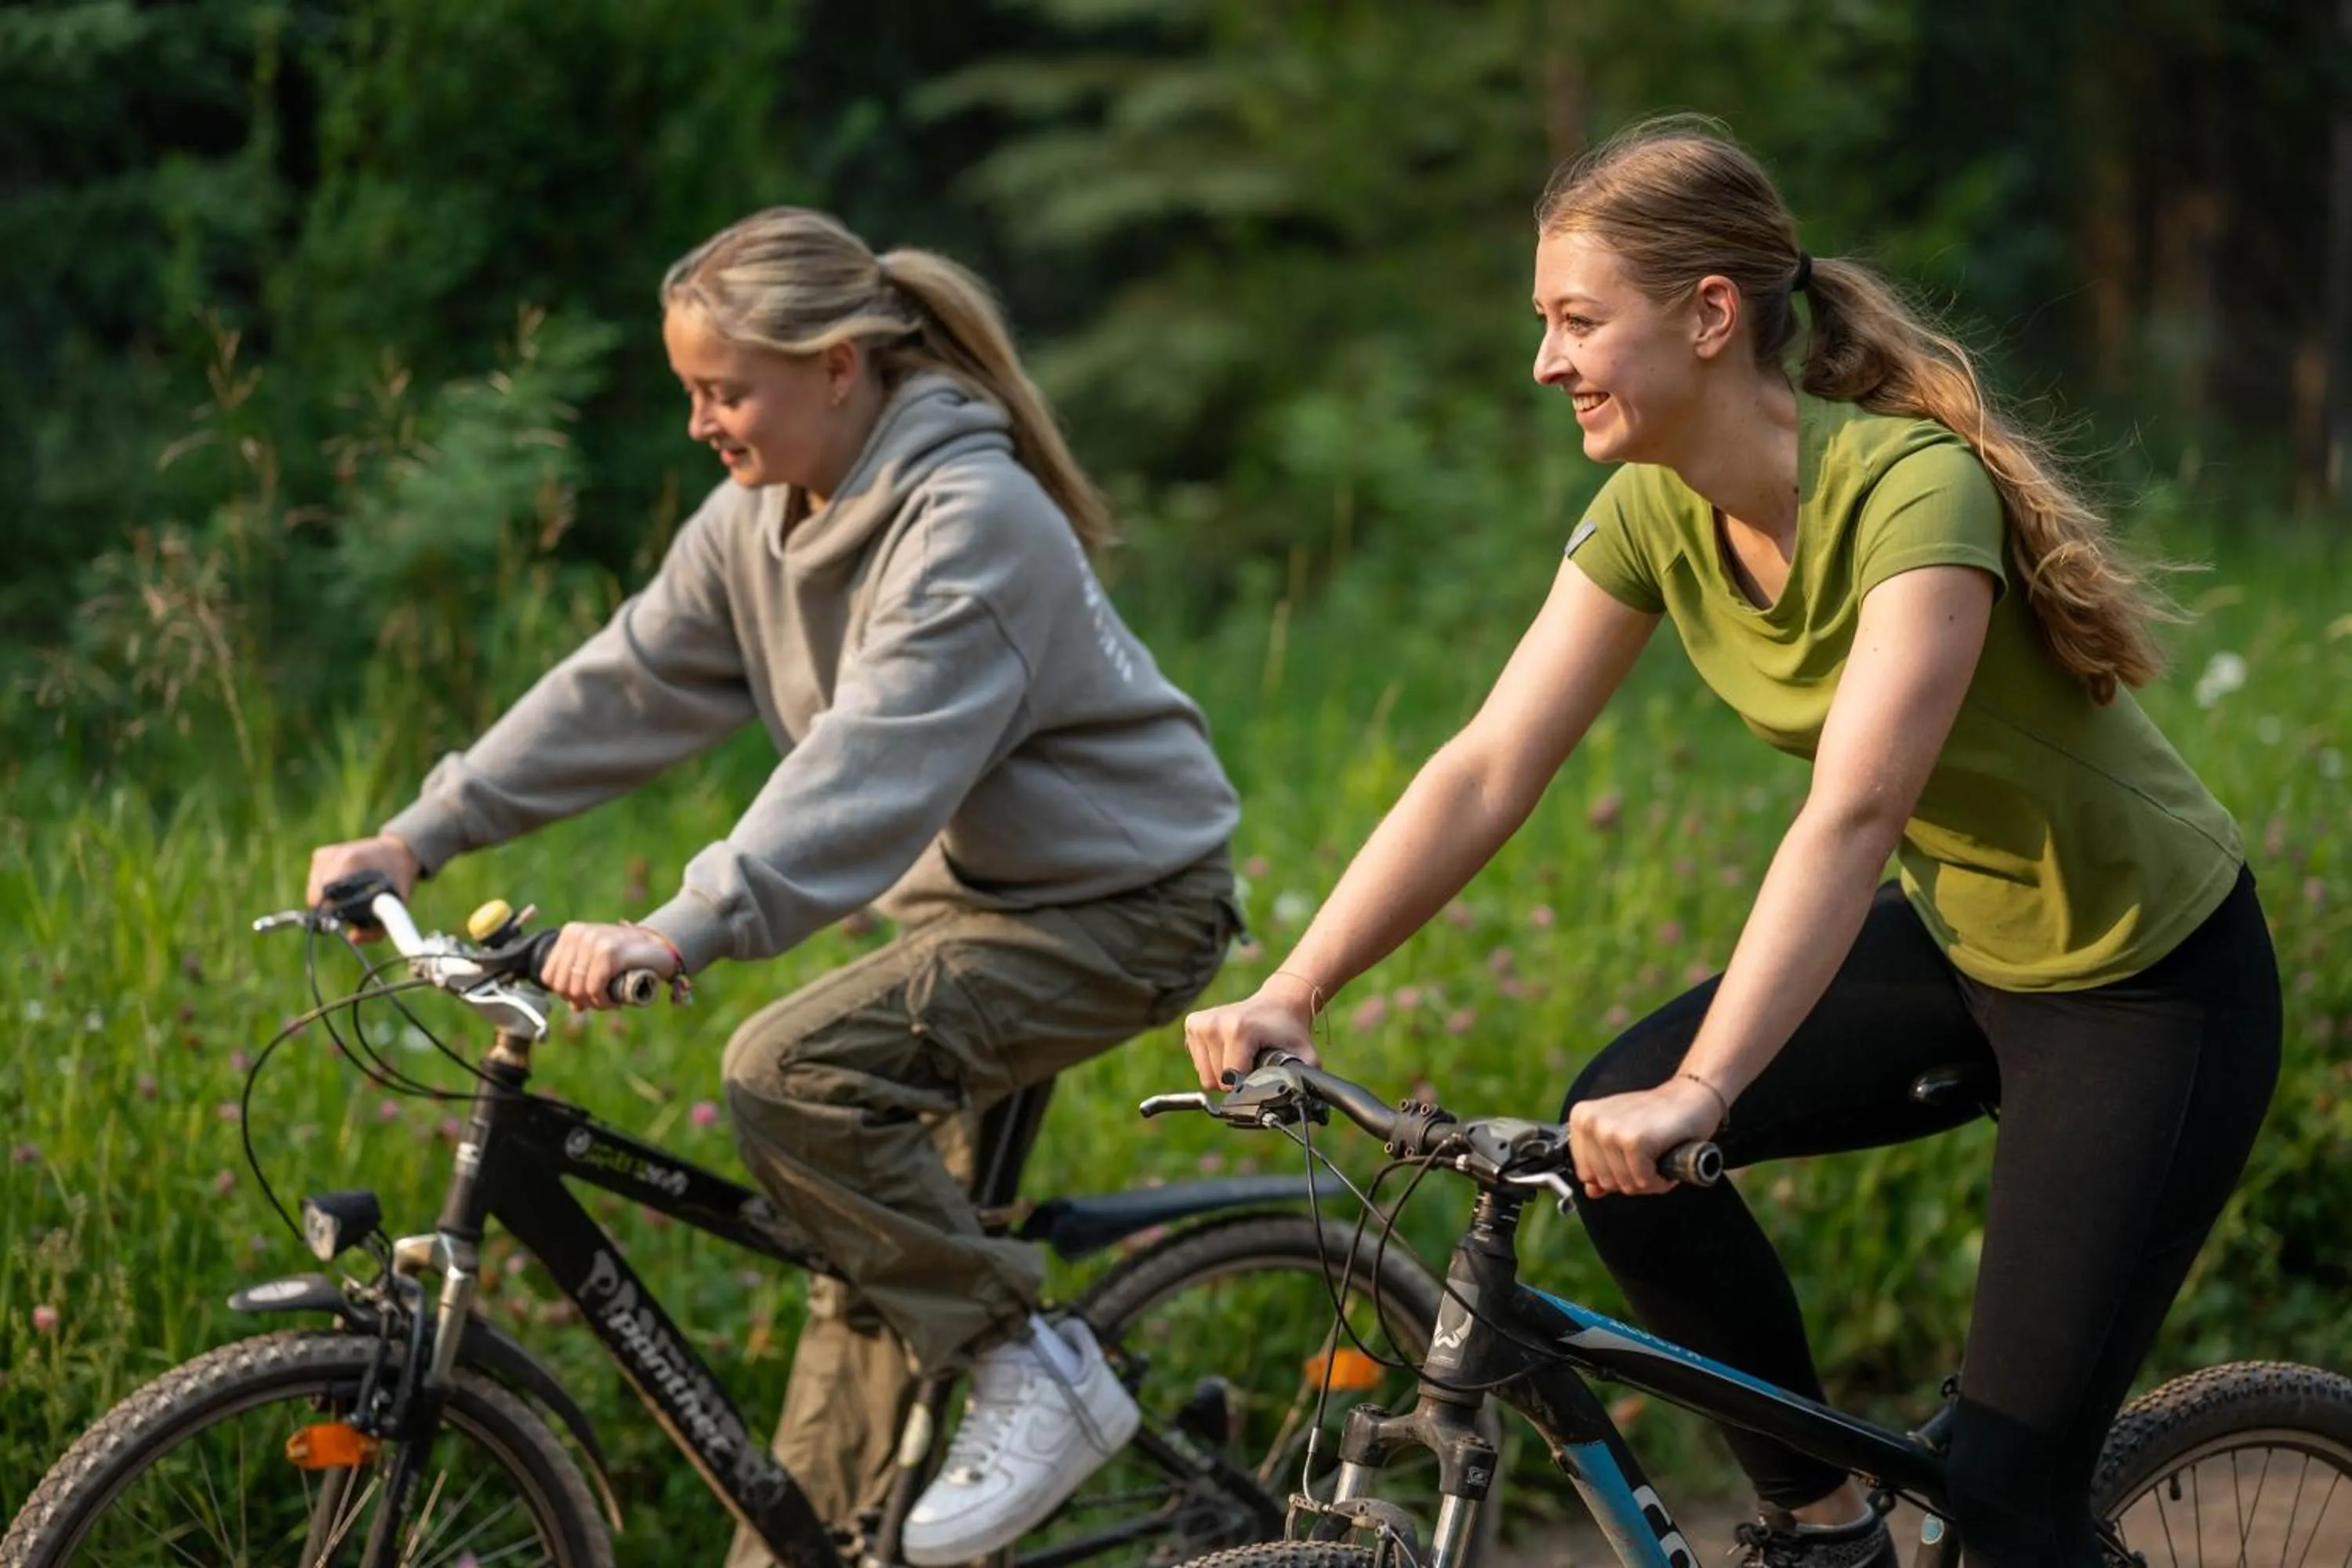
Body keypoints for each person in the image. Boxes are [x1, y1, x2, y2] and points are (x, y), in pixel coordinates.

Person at [1182, 117, 2280, 1568]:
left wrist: (1710, 1088)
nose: (1545, 361)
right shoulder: (1653, 508)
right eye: (1542, 323)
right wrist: (1299, 987)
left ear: (1709, 318)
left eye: (1577, 320)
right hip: (1966, 941)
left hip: (2150, 987)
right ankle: (1826, 1527)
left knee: (2014, 1506)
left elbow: (1856, 807)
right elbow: (1488, 765)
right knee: (1599, 1135)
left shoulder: (1908, 489)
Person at [307, 207, 1243, 1566]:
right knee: (861, 1267)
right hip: (973, 911)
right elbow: (620, 686)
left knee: (793, 1074)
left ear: (841, 368)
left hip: (1125, 910)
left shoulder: (971, 522)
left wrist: (681, 928)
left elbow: (871, 766)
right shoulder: (758, 516)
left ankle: (1029, 1360)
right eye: (691, 391)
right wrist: (419, 835)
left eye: (725, 390)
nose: (702, 423)